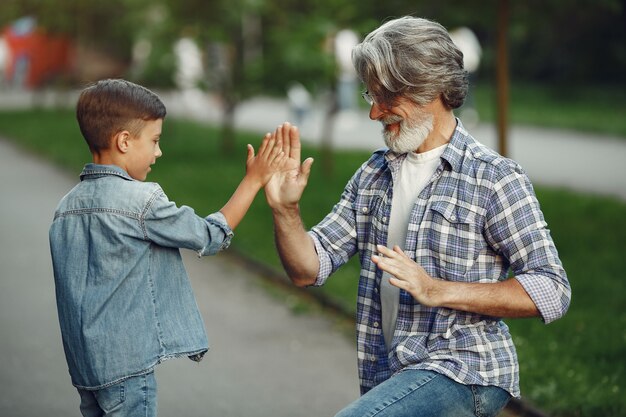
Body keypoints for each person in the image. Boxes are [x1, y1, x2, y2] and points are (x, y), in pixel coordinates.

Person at [265, 17, 571, 417]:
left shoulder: (493, 177)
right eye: (370, 96)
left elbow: (551, 288)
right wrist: (286, 211)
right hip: (392, 373)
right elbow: (308, 269)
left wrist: (436, 289)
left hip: (467, 369)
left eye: (386, 98)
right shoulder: (373, 176)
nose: (375, 113)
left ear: (433, 89)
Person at [49, 78, 286, 416]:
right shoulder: (141, 202)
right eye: (155, 141)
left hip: (86, 369)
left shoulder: (65, 208)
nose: (159, 152)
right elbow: (208, 235)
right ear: (124, 141)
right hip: (127, 369)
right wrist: (253, 181)